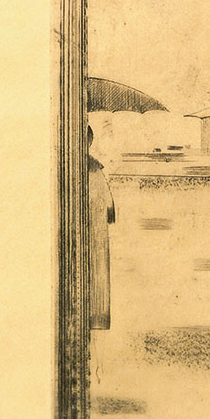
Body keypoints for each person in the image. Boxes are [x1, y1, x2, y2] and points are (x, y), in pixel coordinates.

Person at [88, 125, 115, 382]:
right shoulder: (97, 172)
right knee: (96, 302)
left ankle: (96, 364)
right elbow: (110, 211)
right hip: (96, 244)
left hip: (93, 243)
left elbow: (109, 210)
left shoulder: (94, 172)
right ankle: (98, 366)